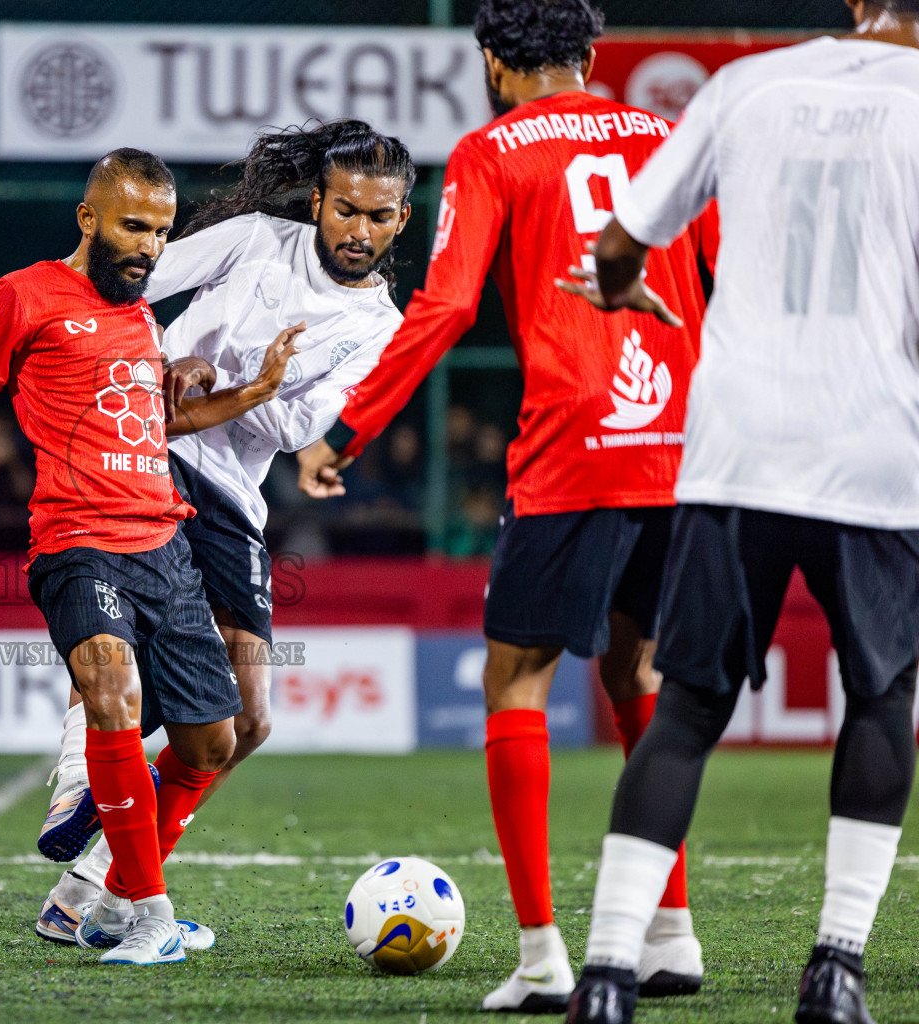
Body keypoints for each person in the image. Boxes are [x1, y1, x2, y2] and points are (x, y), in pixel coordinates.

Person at [295, 0, 718, 1010]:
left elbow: (443, 307)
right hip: (689, 445)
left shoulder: (492, 150)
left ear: (493, 60)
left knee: (514, 682)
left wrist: (344, 431)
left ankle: (541, 958)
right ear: (590, 54)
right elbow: (720, 274)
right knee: (641, 669)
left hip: (577, 446)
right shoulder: (667, 135)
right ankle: (671, 934)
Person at [557, 3, 919, 1021]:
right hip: (879, 453)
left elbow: (623, 239)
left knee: (687, 709)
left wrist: (622, 289)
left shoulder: (746, 84)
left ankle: (608, 975)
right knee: (883, 700)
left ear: (854, 2)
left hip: (738, 447)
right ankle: (836, 970)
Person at [0, 148, 298, 966]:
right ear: (88, 217)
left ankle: (103, 902)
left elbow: (155, 426)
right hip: (76, 540)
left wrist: (249, 396)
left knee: (213, 743)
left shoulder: (139, 317)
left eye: (162, 232)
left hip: (165, 543)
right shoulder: (22, 295)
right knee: (111, 690)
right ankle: (150, 912)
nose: (149, 247)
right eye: (134, 226)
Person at [33, 120, 413, 950]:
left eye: (379, 217)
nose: (359, 231)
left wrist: (219, 375)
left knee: (248, 721)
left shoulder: (382, 327)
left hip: (234, 489)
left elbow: (299, 422)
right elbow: (134, 277)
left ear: (402, 222)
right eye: (346, 210)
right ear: (318, 202)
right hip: (148, 450)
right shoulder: (255, 241)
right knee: (120, 635)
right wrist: (152, 359)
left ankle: (90, 889)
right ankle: (75, 783)